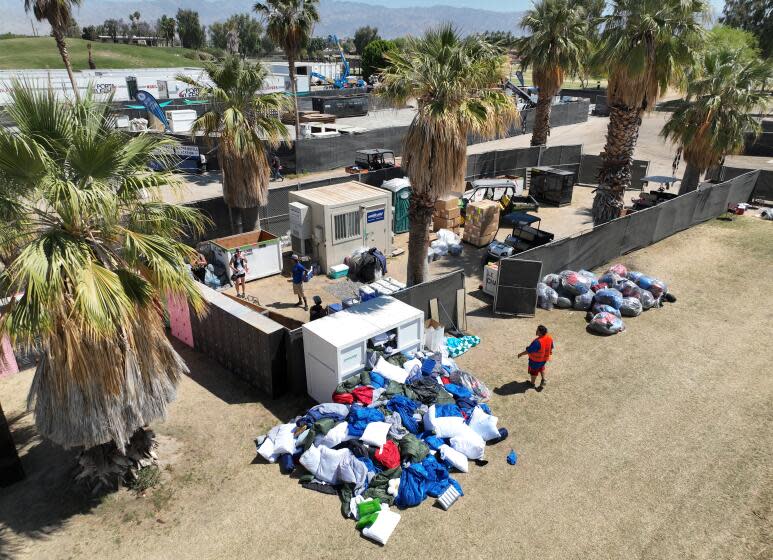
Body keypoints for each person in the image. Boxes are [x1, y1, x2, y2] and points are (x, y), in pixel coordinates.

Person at [517, 325, 554, 391]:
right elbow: (551, 347)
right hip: (544, 358)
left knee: (534, 372)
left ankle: (532, 384)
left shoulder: (537, 342)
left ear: (540, 332)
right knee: (541, 367)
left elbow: (529, 350)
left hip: (535, 360)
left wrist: (520, 354)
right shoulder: (549, 338)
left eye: (537, 330)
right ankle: (543, 379)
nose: (536, 331)